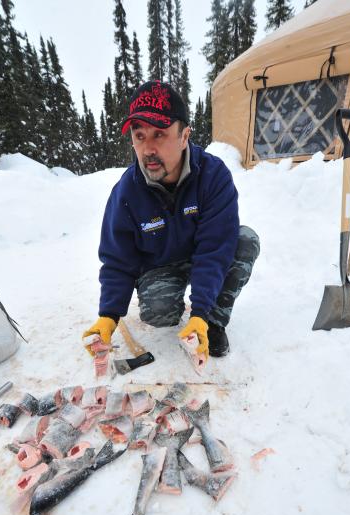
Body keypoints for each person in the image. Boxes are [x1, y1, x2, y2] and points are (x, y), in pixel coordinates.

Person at [83, 80, 260, 359]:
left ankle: (212, 322)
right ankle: (177, 303)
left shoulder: (213, 177)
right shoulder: (126, 192)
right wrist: (109, 315)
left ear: (184, 136)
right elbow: (118, 260)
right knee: (159, 314)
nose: (148, 149)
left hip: (201, 253)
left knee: (244, 240)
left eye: (159, 135)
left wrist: (200, 311)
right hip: (161, 264)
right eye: (139, 136)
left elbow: (215, 249)